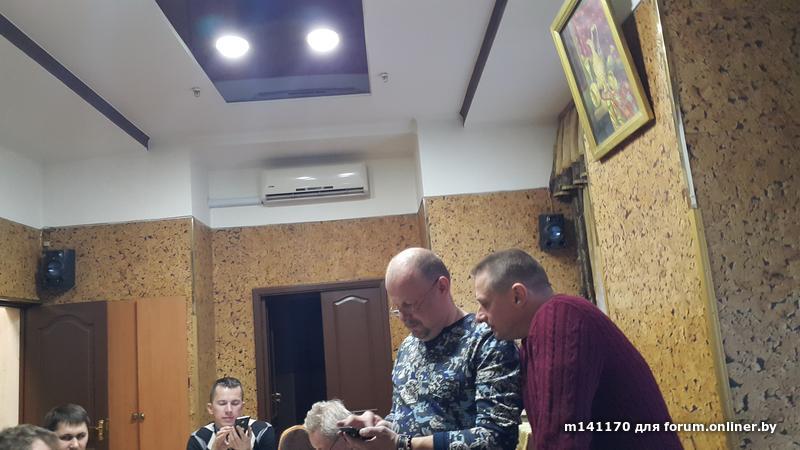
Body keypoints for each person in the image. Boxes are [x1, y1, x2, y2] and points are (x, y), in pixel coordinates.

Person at [471, 248, 683, 449]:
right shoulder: (534, 337)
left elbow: (561, 440)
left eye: (485, 303)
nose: (479, 316)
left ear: (518, 295)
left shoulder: (558, 317)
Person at [340, 248, 522, 450]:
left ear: (442, 287)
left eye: (410, 305)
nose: (404, 318)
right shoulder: (408, 347)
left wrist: (402, 444)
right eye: (397, 308)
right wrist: (381, 427)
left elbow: (496, 438)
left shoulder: (488, 341)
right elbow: (408, 418)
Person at [187, 376, 276, 450]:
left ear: (242, 407)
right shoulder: (199, 439)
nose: (229, 410)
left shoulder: (262, 431)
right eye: (222, 403)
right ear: (210, 408)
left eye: (235, 403)